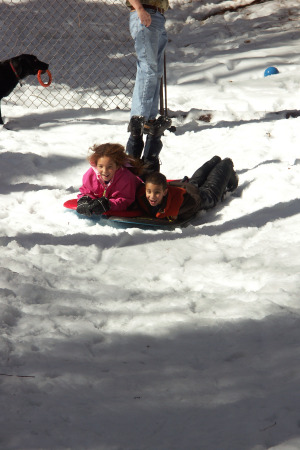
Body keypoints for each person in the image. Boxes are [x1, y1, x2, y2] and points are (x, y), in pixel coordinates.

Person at [125, 0, 172, 171]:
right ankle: (139, 118)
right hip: (145, 15)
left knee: (155, 71)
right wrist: (139, 9)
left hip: (157, 16)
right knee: (148, 69)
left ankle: (149, 119)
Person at [136, 156, 239, 221]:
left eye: (157, 192)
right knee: (196, 180)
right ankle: (215, 159)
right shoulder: (143, 198)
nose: (152, 196)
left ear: (165, 192)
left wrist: (180, 216)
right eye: (149, 191)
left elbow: (194, 204)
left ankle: (226, 163)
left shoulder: (176, 204)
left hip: (200, 196)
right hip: (187, 186)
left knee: (214, 184)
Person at [76, 143, 144, 217]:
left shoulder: (126, 178)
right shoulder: (91, 175)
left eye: (110, 167)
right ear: (95, 165)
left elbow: (126, 200)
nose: (105, 171)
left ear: (117, 165)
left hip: (135, 202)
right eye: (100, 166)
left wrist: (108, 204)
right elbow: (86, 191)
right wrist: (84, 199)